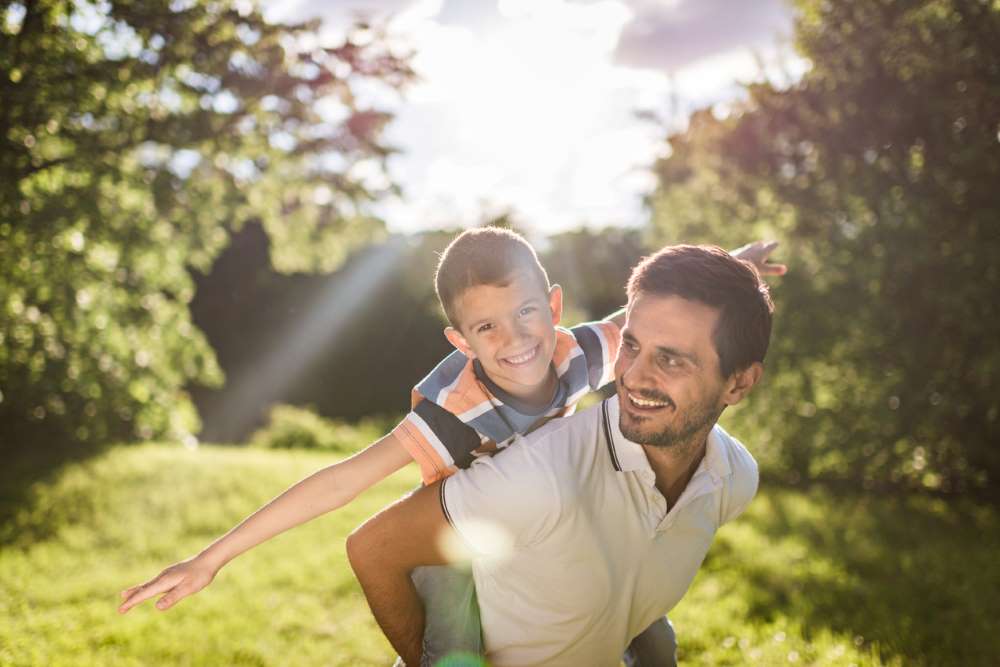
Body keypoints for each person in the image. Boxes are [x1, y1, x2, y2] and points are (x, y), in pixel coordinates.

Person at [118, 229, 781, 665]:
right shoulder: (459, 411)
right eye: (485, 328)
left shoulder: (583, 350)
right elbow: (344, 480)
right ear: (460, 342)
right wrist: (212, 557)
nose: (515, 339)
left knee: (654, 634)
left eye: (526, 313)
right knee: (456, 645)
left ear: (552, 306)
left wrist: (738, 266)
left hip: (550, 524)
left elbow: (666, 318)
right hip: (457, 543)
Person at [346, 244, 773, 667]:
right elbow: (374, 549)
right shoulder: (543, 473)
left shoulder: (732, 478)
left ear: (738, 384)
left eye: (671, 360)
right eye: (631, 346)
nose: (634, 377)